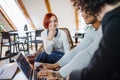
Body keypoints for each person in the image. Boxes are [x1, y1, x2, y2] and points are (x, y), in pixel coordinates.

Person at [37, 9, 103, 79]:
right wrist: (56, 65)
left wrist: (58, 74)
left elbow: (88, 53)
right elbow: (77, 49)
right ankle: (37, 68)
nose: (82, 14)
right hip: (64, 59)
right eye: (82, 10)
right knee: (44, 54)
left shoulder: (106, 29)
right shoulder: (91, 29)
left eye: (86, 9)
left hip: (103, 70)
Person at [69, 0, 120, 80]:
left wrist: (70, 75)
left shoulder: (114, 24)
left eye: (84, 8)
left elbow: (95, 73)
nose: (82, 14)